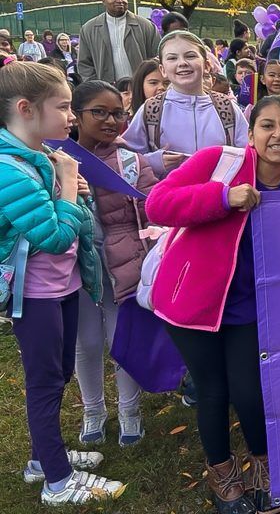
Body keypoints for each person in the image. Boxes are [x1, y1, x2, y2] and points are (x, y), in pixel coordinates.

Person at [145, 96, 280, 514]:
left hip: (250, 309)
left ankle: (266, 469)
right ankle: (223, 475)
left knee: (251, 393)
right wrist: (222, 198)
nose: (278, 134)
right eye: (267, 125)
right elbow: (157, 204)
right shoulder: (220, 161)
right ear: (250, 134)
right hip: (192, 304)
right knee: (213, 390)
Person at [0, 62, 125, 505]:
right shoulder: (9, 170)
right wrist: (70, 186)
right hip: (34, 297)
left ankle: (42, 458)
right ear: (25, 109)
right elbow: (54, 237)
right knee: (45, 381)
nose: (71, 116)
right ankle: (57, 481)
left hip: (63, 287)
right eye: (64, 106)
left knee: (60, 373)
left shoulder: (42, 158)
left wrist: (67, 192)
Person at [71, 81, 156, 448]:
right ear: (76, 114)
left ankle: (129, 411)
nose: (110, 120)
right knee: (85, 342)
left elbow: (152, 205)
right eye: (99, 112)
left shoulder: (128, 160)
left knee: (121, 340)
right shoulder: (55, 159)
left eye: (117, 113)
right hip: (74, 266)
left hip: (122, 264)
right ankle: (93, 410)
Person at [124, 31, 249, 178]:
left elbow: (247, 154)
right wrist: (153, 161)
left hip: (219, 197)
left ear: (207, 65)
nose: (182, 63)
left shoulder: (227, 108)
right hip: (169, 197)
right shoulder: (151, 109)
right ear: (163, 70)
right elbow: (125, 159)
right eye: (172, 58)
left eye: (190, 56)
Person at [78, 0, 159, 83]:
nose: (119, 1)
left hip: (140, 88)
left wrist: (149, 82)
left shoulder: (146, 26)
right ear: (103, 0)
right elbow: (84, 65)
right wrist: (97, 86)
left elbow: (157, 58)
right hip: (107, 91)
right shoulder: (88, 29)